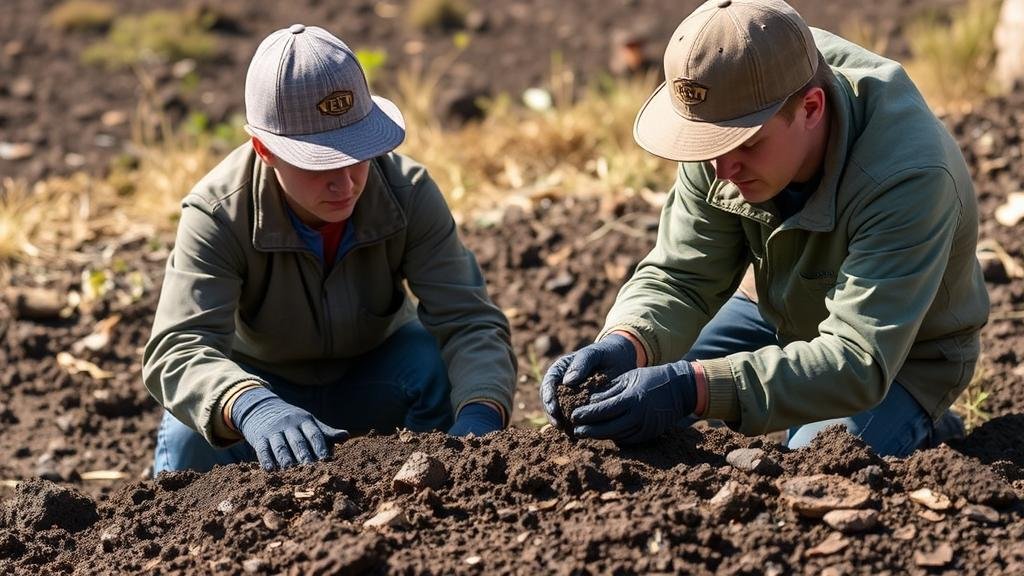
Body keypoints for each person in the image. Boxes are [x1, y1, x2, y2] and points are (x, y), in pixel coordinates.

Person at [541, 0, 989, 456]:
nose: (721, 168)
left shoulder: (907, 175)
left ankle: (923, 425)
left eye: (746, 145)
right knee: (619, 398)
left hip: (899, 356)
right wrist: (626, 341)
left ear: (812, 108)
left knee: (818, 460)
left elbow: (857, 359)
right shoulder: (727, 108)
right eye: (706, 145)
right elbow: (682, 276)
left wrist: (691, 389)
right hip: (777, 305)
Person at [144, 24, 516, 473]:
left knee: (433, 365)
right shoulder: (219, 213)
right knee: (189, 438)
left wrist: (480, 417)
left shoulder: (407, 192)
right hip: (264, 387)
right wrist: (248, 405)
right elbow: (179, 348)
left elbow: (469, 320)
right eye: (319, 162)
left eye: (356, 151)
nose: (345, 181)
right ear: (265, 149)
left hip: (374, 376)